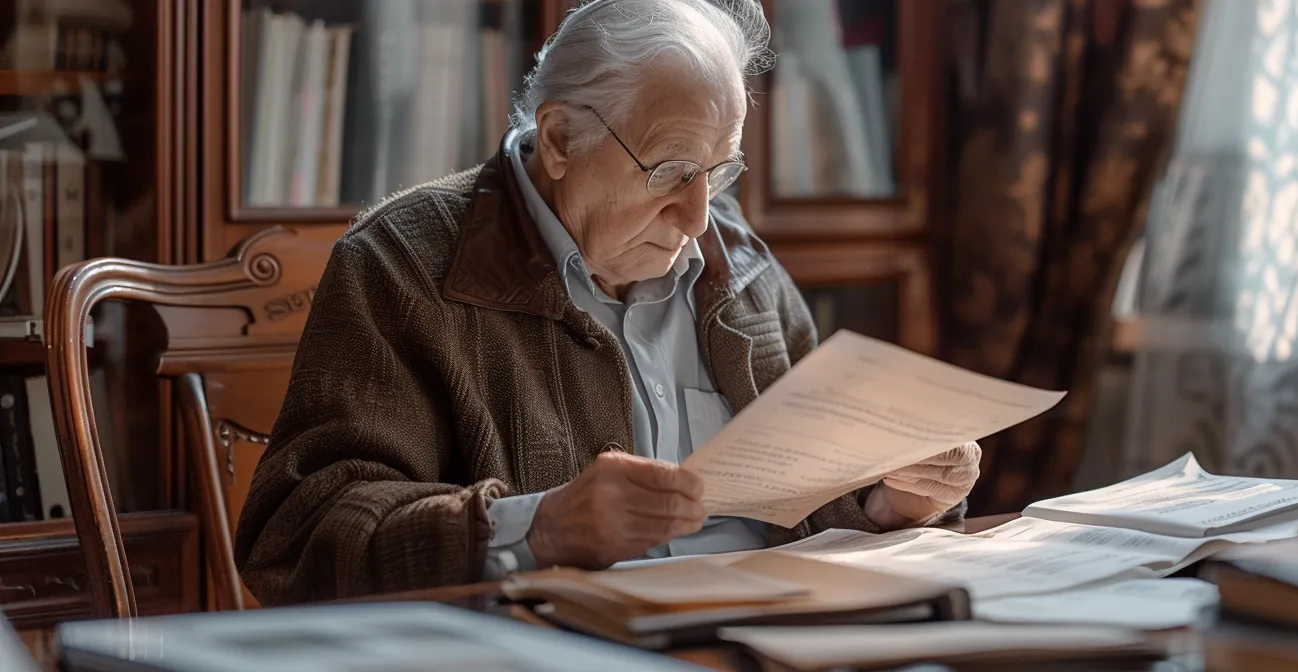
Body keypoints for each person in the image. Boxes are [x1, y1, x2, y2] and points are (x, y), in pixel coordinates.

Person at [233, 0, 980, 605]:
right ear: (559, 139)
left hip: (778, 632)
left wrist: (888, 503)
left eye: (720, 171)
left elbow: (813, 499)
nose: (697, 219)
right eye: (671, 171)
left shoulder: (739, 265)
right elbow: (294, 540)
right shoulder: (406, 264)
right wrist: (539, 527)